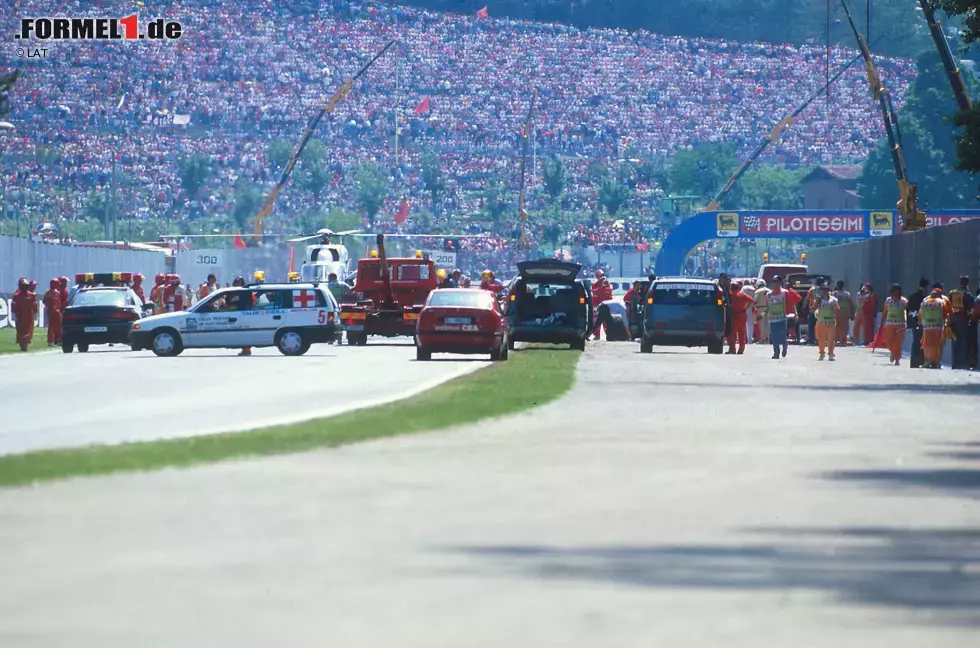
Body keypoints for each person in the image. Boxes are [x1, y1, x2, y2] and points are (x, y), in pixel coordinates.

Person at [766, 275, 802, 359]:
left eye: (776, 282)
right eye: (773, 282)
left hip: (782, 318)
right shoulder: (769, 294)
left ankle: (785, 346)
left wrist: (795, 314)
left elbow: (793, 302)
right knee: (774, 336)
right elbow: (767, 306)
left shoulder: (785, 293)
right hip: (772, 319)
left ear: (780, 283)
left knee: (782, 335)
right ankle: (776, 353)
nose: (775, 284)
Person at [920, 283, 952, 369]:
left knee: (926, 345)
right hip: (939, 327)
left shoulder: (925, 301)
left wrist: (921, 322)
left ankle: (927, 361)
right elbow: (949, 312)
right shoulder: (943, 301)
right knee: (938, 345)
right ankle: (936, 362)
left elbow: (920, 314)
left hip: (927, 327)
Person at [948, 276, 976, 370]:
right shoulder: (967, 294)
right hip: (962, 319)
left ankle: (955, 363)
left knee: (955, 341)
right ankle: (962, 363)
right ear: (967, 283)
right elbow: (971, 307)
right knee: (962, 341)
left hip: (953, 319)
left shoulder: (952, 293)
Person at [878, 283, 908, 366]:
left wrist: (906, 322)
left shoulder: (904, 301)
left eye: (896, 290)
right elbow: (885, 312)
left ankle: (897, 359)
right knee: (889, 341)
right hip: (890, 324)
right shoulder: (888, 300)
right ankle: (893, 352)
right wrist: (881, 323)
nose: (894, 292)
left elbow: (906, 312)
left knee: (898, 343)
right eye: (893, 291)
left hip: (901, 324)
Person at [726, 281, 755, 354]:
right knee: (742, 332)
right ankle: (741, 349)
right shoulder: (742, 294)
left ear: (731, 287)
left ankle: (732, 348)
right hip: (742, 314)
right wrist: (746, 308)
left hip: (733, 315)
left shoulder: (729, 294)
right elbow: (751, 300)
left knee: (731, 332)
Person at [906, 277, 929, 369]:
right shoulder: (924, 297)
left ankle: (915, 362)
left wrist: (909, 322)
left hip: (914, 321)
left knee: (916, 341)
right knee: (921, 341)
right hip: (922, 321)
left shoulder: (912, 295)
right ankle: (921, 361)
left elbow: (908, 309)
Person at [813, 283, 840, 361]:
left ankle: (831, 354)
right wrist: (816, 304)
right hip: (821, 322)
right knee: (821, 339)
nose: (824, 291)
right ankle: (822, 353)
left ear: (828, 290)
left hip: (831, 322)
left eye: (826, 290)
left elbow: (837, 310)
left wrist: (834, 309)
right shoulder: (818, 299)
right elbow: (812, 309)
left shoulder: (833, 299)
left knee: (831, 339)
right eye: (823, 290)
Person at [11, 278, 38, 352]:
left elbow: (35, 305)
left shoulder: (32, 295)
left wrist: (35, 312)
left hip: (29, 316)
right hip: (19, 316)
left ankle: (25, 344)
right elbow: (13, 306)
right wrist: (14, 315)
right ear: (20, 286)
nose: (25, 287)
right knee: (20, 331)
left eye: (26, 286)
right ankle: (22, 345)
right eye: (23, 286)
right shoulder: (16, 296)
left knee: (28, 330)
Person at [232, 275, 251, 356]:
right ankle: (244, 349)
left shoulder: (245, 292)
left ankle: (246, 349)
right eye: (236, 283)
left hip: (244, 314)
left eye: (239, 283)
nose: (237, 284)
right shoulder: (233, 292)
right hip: (237, 314)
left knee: (245, 332)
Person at [591, 275, 614, 339]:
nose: (605, 282)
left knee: (606, 322)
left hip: (606, 308)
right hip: (599, 308)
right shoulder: (597, 290)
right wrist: (595, 308)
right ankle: (597, 335)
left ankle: (608, 334)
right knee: (597, 322)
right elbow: (594, 300)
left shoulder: (608, 290)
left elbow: (610, 298)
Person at [43, 278, 63, 346]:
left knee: (51, 326)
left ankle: (50, 341)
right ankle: (59, 340)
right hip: (56, 311)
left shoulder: (47, 292)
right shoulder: (56, 292)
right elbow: (55, 302)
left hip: (49, 311)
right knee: (58, 326)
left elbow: (44, 301)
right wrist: (55, 309)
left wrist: (49, 306)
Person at [833, 281, 854, 345]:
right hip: (843, 312)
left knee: (838, 327)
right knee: (842, 327)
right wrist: (852, 313)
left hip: (839, 312)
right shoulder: (847, 294)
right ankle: (840, 341)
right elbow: (851, 304)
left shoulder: (835, 293)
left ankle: (837, 341)